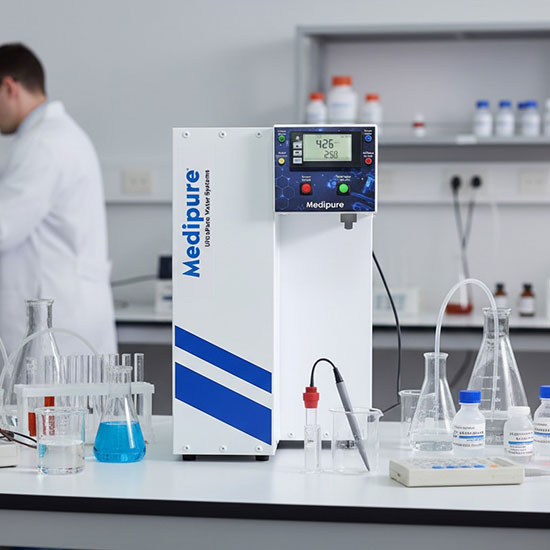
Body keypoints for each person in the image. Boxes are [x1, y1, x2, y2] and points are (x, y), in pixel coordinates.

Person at [0, 43, 116, 355]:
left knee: (53, 388)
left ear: (9, 87)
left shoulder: (43, 143)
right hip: (66, 309)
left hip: (57, 320)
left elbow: (4, 227)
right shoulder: (56, 136)